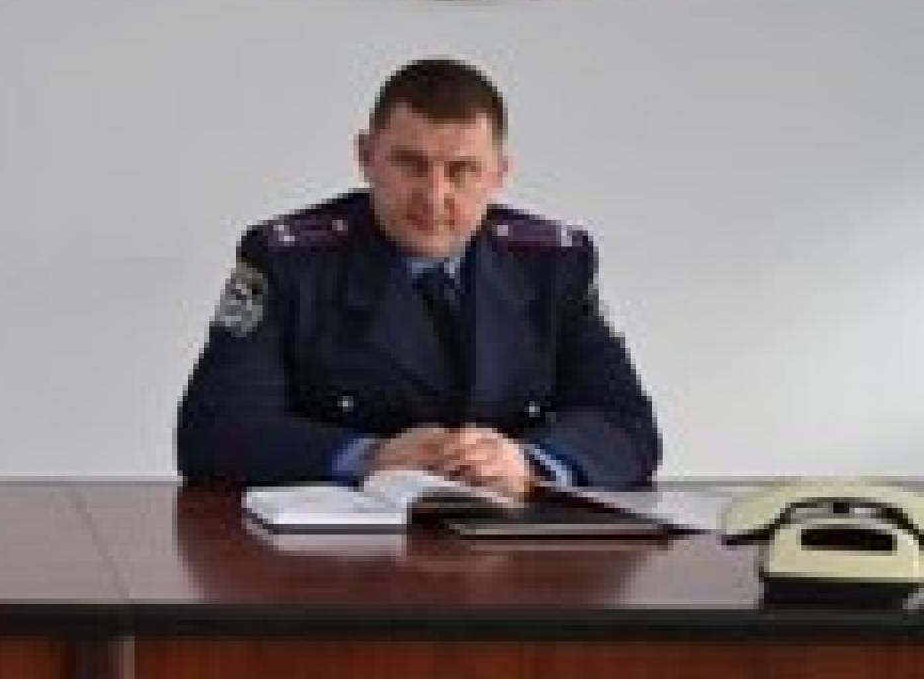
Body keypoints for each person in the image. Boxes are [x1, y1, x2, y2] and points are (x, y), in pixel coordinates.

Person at [176, 58, 658, 496]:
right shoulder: (290, 262)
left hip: (507, 545)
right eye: (410, 164)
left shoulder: (554, 265)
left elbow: (628, 427)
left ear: (500, 173)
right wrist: (371, 457)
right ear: (366, 156)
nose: (433, 196)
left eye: (462, 170)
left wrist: (527, 462)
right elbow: (214, 431)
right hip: (339, 550)